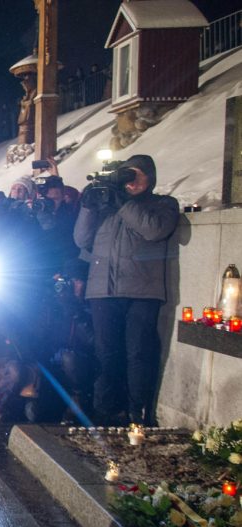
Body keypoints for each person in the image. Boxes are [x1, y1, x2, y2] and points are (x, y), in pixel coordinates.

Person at [73, 154, 179, 426]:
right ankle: (106, 412)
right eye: (125, 174)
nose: (130, 180)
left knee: (138, 353)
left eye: (136, 174)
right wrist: (88, 206)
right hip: (102, 291)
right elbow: (81, 239)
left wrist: (122, 202)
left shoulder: (162, 204)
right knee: (106, 353)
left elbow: (154, 230)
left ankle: (137, 413)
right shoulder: (106, 208)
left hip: (142, 291)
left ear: (150, 177)